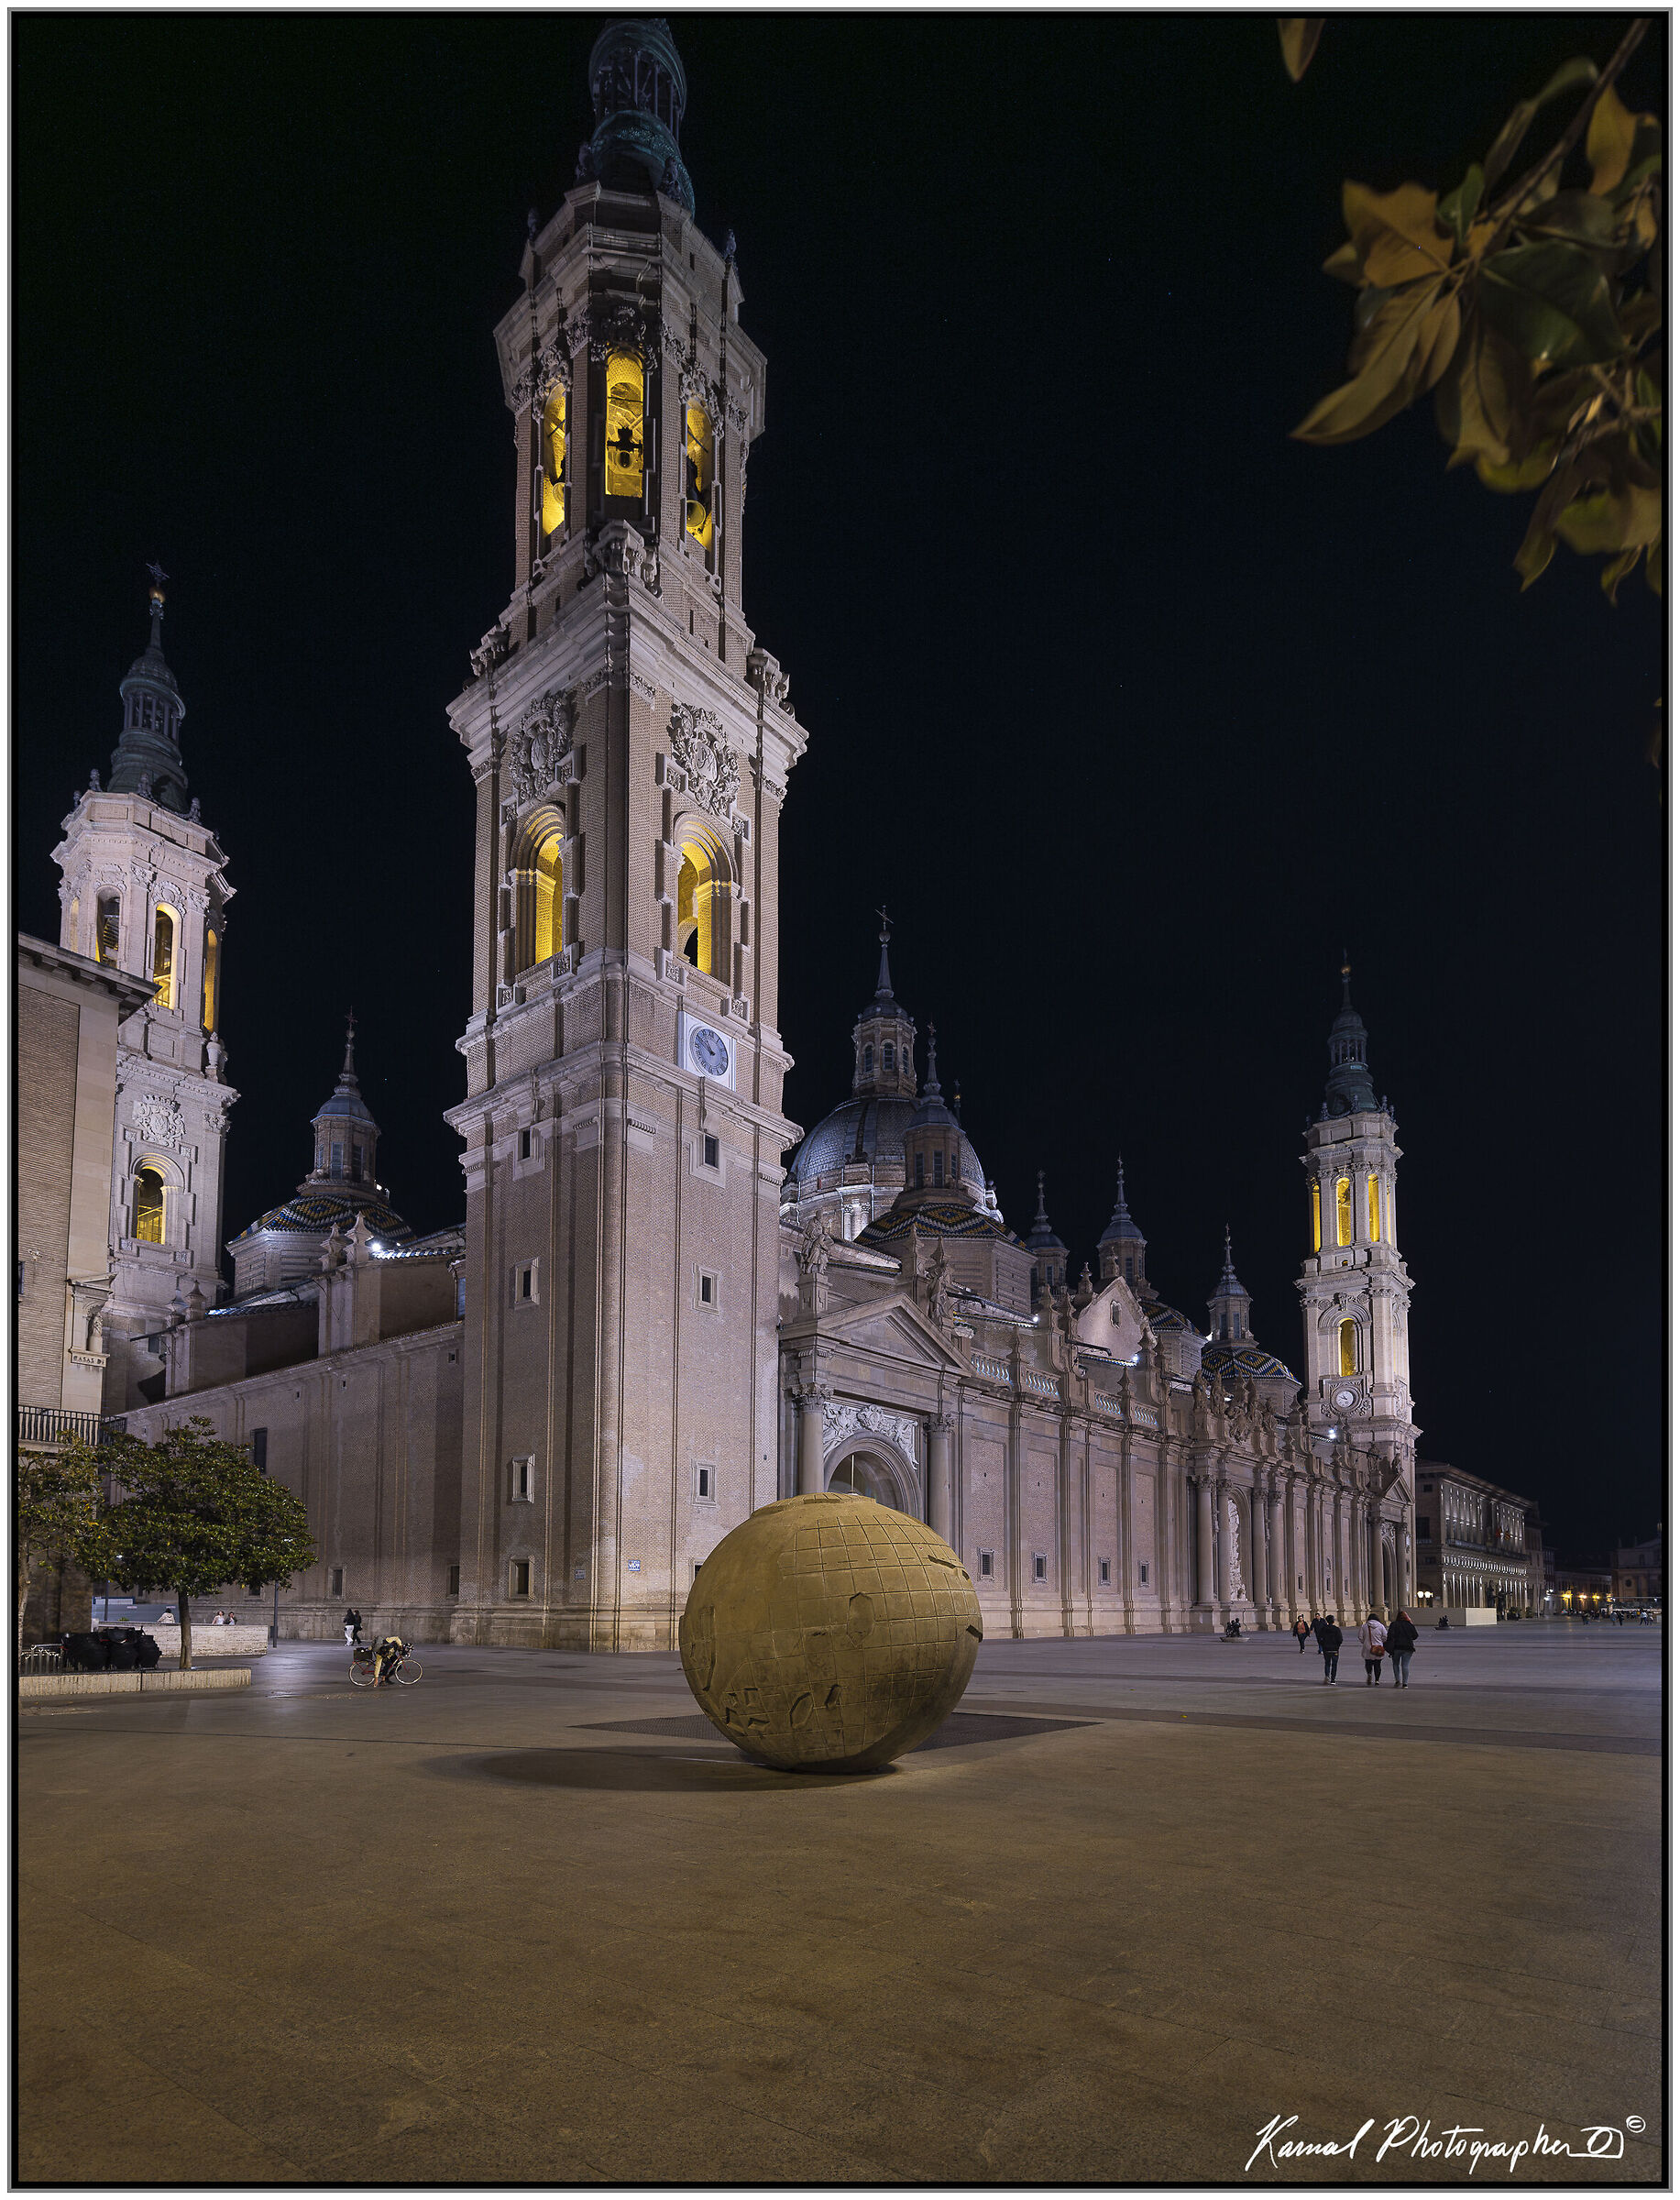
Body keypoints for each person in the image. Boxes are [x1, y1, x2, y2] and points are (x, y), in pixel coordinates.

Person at [1386, 1608, 1419, 1688]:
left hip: (1396, 1647)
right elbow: (1415, 1636)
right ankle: (1405, 1683)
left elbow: (1390, 1635)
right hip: (1408, 1647)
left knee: (1395, 1664)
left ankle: (1397, 1680)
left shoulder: (1394, 1624)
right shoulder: (1409, 1625)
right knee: (1405, 1665)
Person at [1357, 1610, 1388, 1684]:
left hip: (1367, 1647)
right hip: (1378, 1647)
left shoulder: (1364, 1626)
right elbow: (1385, 1636)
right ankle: (1377, 1680)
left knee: (1368, 1663)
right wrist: (1381, 1642)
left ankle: (1369, 1674)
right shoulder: (1381, 1626)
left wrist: (1365, 1642)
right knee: (1378, 1664)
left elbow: (1360, 1637)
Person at [1316, 1616, 1342, 1684]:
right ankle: (1333, 1680)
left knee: (1327, 1663)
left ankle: (1327, 1676)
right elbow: (1340, 1639)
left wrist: (1323, 1645)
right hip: (1335, 1649)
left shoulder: (1323, 1629)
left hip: (1326, 1649)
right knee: (1334, 1664)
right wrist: (1337, 1646)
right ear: (1333, 1621)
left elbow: (1319, 1638)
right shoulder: (1337, 1629)